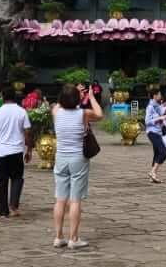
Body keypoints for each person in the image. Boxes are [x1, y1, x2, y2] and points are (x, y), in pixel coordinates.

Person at [52, 83, 103, 249]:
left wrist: (71, 93)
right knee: (75, 200)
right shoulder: (83, 113)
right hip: (78, 158)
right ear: (76, 98)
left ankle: (59, 236)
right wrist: (91, 97)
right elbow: (100, 114)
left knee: (60, 200)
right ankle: (73, 238)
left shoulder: (56, 111)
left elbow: (61, 102)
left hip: (60, 158)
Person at [0, 86, 33, 218]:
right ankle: (13, 204)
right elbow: (28, 132)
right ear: (15, 97)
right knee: (17, 178)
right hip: (16, 151)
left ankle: (2, 211)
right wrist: (29, 150)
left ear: (2, 97)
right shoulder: (22, 112)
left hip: (1, 152)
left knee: (1, 181)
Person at [145, 88, 166, 183]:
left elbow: (163, 112)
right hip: (152, 132)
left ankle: (153, 175)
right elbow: (147, 121)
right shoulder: (150, 107)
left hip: (158, 132)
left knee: (157, 153)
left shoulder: (157, 106)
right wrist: (160, 118)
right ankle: (153, 172)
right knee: (163, 152)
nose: (161, 96)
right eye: (159, 94)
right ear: (154, 96)